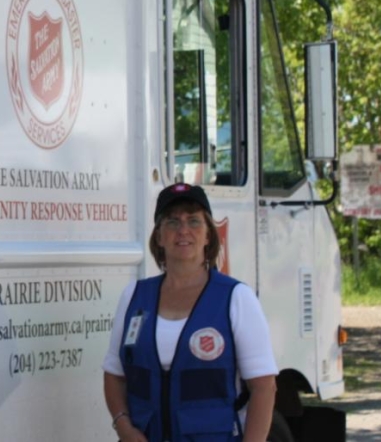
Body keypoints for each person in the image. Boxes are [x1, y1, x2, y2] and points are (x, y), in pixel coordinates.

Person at [102, 183, 278, 441]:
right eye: (172, 222)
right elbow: (114, 375)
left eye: (194, 221)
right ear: (159, 237)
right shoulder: (134, 297)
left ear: (208, 235)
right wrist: (124, 427)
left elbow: (264, 387)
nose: (183, 230)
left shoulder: (235, 298)